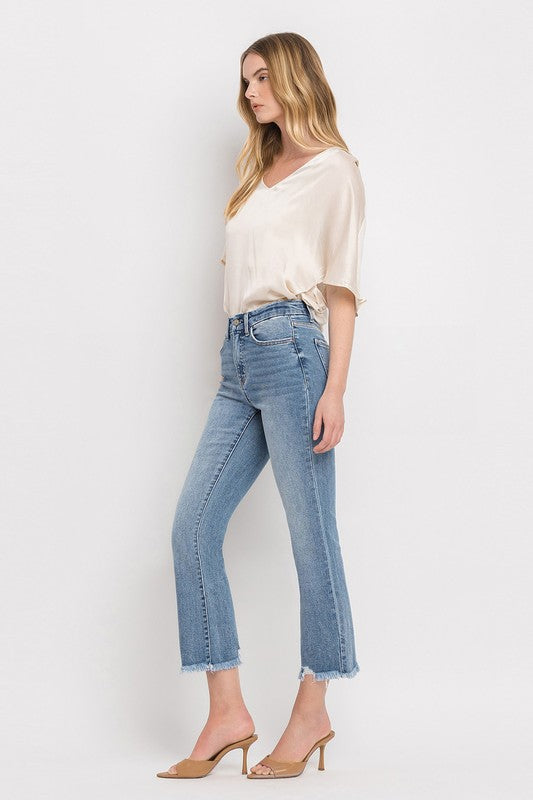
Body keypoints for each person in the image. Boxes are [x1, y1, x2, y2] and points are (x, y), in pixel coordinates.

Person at [156, 31, 366, 781]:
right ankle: (227, 711)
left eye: (262, 78)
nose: (250, 93)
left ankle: (311, 712)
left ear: (295, 77)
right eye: (244, 81)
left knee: (311, 540)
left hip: (294, 355)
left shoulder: (332, 170)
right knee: (191, 528)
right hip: (237, 357)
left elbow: (340, 292)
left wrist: (334, 389)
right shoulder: (261, 167)